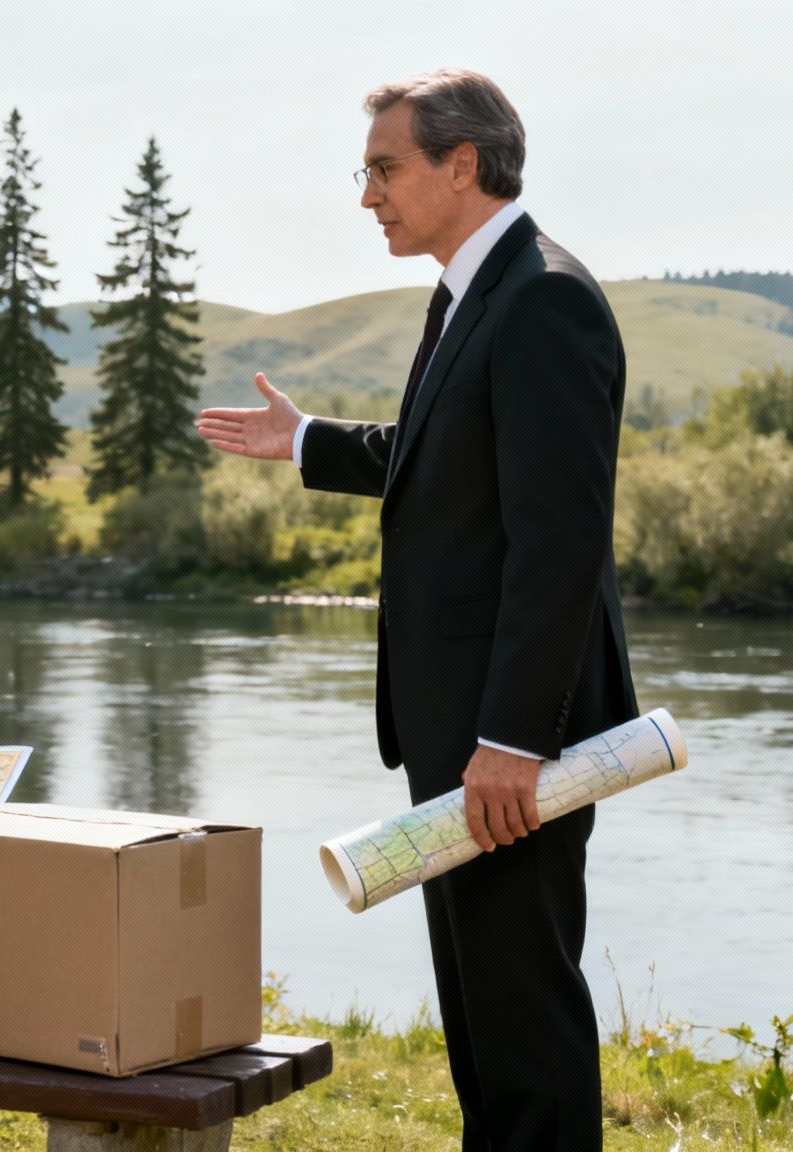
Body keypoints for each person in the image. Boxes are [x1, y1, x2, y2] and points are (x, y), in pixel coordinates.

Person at [197, 70, 637, 1150]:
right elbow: (448, 464)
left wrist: (510, 739)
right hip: (462, 736)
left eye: (383, 169)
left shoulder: (543, 297)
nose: (367, 197)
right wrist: (307, 442)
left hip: (510, 747)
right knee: (482, 1021)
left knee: (522, 1023)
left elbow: (557, 539)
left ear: (461, 164)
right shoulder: (467, 294)